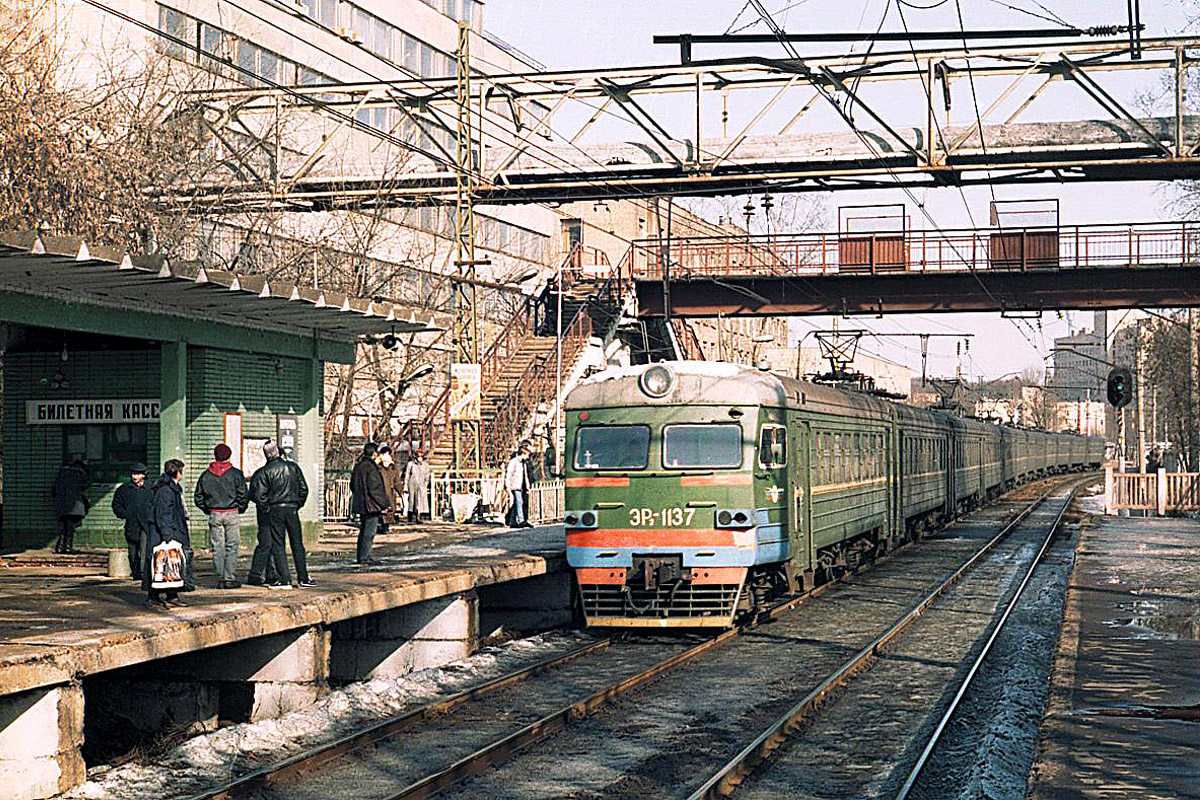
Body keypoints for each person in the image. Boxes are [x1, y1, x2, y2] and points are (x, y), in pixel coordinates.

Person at [249, 440, 312, 588]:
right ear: (277, 452)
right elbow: (304, 489)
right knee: (297, 543)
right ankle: (303, 578)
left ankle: (285, 578)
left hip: (275, 509)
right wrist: (297, 504)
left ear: (266, 455)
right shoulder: (293, 468)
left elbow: (259, 495)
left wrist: (266, 508)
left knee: (278, 544)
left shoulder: (265, 471)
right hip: (292, 509)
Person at [194, 443, 250, 589]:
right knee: (232, 546)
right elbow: (243, 494)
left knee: (218, 547)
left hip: (214, 513)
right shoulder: (236, 474)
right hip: (232, 512)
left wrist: (208, 509)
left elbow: (198, 497)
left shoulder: (205, 475)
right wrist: (240, 507)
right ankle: (229, 577)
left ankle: (220, 577)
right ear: (229, 455)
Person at [145, 459, 188, 609]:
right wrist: (167, 536)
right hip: (165, 533)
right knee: (160, 564)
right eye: (181, 470)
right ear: (177, 472)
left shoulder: (169, 487)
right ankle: (154, 596)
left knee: (171, 564)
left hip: (168, 530)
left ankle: (171, 594)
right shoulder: (166, 491)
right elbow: (164, 514)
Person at [350, 442, 390, 564]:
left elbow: (352, 484)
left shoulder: (358, 466)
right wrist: (384, 504)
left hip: (361, 503)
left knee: (363, 531)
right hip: (371, 505)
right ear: (374, 454)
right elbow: (375, 489)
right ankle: (365, 557)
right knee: (369, 532)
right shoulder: (371, 468)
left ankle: (361, 555)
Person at [112, 463, 151, 582]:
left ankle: (144, 573)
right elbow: (116, 505)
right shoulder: (124, 489)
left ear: (143, 475)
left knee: (144, 551)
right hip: (131, 524)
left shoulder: (150, 488)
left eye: (138, 474)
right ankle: (136, 573)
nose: (135, 476)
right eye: (133, 473)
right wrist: (125, 514)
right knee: (133, 552)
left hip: (146, 524)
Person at [51, 458, 91, 554]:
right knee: (69, 526)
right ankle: (67, 547)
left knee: (66, 525)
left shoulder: (62, 473)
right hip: (74, 504)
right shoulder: (79, 473)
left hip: (61, 503)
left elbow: (54, 489)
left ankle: (60, 547)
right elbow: (86, 484)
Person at [377, 445, 404, 531]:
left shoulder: (393, 468)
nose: (386, 456)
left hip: (390, 492)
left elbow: (397, 481)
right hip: (380, 492)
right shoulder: (377, 468)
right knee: (381, 509)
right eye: (384, 454)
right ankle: (381, 524)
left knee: (390, 508)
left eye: (388, 454)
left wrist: (401, 492)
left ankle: (386, 526)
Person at [504, 444, 531, 528]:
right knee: (520, 503)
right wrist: (507, 486)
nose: (528, 457)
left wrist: (527, 486)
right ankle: (521, 520)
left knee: (516, 504)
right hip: (515, 485)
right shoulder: (514, 462)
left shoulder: (523, 463)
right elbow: (509, 474)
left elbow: (525, 475)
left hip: (521, 485)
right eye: (527, 455)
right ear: (523, 454)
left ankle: (512, 521)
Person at [403, 449, 430, 524]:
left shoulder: (425, 465)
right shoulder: (411, 464)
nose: (419, 457)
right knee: (412, 500)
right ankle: (410, 516)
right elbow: (407, 475)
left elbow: (427, 476)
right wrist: (405, 486)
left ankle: (419, 516)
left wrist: (425, 485)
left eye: (421, 456)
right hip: (412, 484)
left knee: (420, 501)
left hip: (421, 485)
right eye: (418, 456)